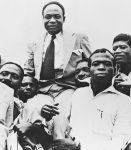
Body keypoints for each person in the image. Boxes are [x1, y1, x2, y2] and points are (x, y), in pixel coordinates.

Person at [24, 1, 91, 139]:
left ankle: (61, 145)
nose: (52, 20)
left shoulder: (78, 37)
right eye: (48, 17)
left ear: (64, 19)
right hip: (42, 90)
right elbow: (28, 71)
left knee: (61, 116)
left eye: (57, 16)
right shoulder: (34, 43)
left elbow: (91, 63)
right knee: (34, 113)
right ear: (42, 18)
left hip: (68, 88)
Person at [69, 48, 131, 150]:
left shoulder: (124, 101)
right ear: (89, 69)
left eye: (107, 63)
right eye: (96, 63)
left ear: (116, 69)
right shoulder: (78, 94)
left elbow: (120, 142)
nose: (101, 67)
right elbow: (70, 130)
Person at [0, 62, 24, 150]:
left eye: (15, 77)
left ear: (20, 85)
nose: (8, 78)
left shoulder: (23, 108)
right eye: (4, 74)